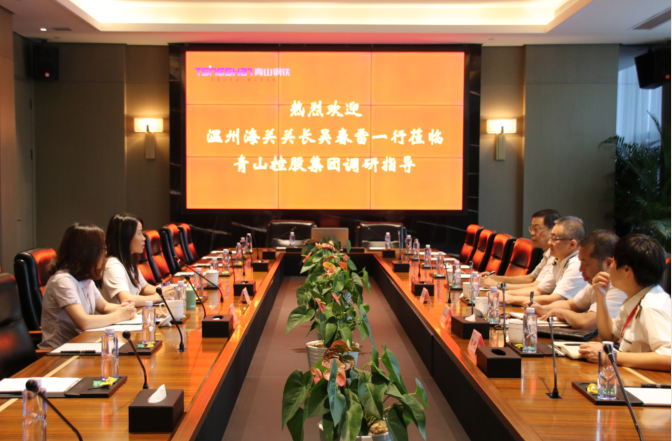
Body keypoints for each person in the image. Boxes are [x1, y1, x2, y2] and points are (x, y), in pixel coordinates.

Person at [579, 234, 670, 372]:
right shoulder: (637, 298)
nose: (609, 267)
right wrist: (601, 297)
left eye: (613, 262)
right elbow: (609, 336)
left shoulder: (652, 306)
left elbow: (669, 357)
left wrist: (612, 356)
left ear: (626, 270)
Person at [39, 223, 137, 349]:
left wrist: (125, 309)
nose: (105, 254)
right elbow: (84, 322)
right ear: (88, 252)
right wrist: (119, 315)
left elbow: (104, 306)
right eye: (102, 249)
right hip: (59, 352)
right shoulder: (62, 280)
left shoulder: (85, 278)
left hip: (82, 345)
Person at [530, 230, 626, 329]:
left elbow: (588, 322)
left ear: (608, 264)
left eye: (586, 264)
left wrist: (562, 313)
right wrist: (543, 309)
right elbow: (570, 304)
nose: (580, 269)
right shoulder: (597, 281)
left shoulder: (617, 285)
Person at [505, 216, 587, 306]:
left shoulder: (577, 264)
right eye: (550, 237)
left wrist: (511, 299)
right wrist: (505, 294)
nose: (549, 243)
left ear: (572, 244)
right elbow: (539, 290)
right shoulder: (559, 259)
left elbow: (556, 299)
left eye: (554, 239)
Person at [482, 209, 559, 290]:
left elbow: (536, 286)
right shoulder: (547, 252)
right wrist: (496, 278)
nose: (532, 233)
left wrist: (497, 285)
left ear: (553, 230)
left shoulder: (556, 255)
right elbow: (530, 278)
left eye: (536, 229)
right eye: (531, 228)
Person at [101, 213, 168, 306]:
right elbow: (127, 299)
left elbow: (144, 288)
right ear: (126, 237)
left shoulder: (128, 261)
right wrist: (159, 297)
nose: (144, 238)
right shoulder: (113, 265)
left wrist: (165, 291)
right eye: (139, 233)